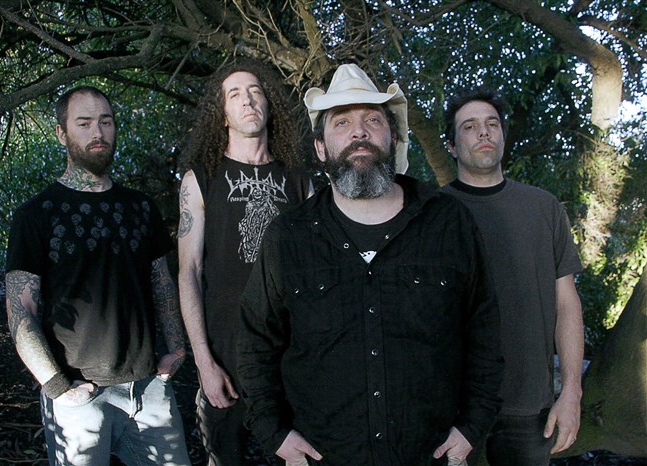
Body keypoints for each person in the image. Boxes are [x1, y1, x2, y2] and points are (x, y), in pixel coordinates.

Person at [236, 63, 504, 466]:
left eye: (372, 120)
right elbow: (256, 342)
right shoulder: (288, 237)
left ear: (393, 138)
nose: (358, 132)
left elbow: (484, 332)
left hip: (430, 456)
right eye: (342, 122)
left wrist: (472, 426)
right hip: (321, 458)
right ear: (320, 148)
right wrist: (274, 433)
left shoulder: (449, 222)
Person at [4, 86, 191, 466]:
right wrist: (58, 387)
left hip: (149, 389)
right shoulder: (36, 214)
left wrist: (176, 349)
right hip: (78, 394)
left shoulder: (140, 207)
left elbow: (161, 283)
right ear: (62, 133)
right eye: (84, 123)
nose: (98, 132)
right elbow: (20, 310)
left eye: (105, 122)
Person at [177, 60, 314, 465]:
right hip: (225, 357)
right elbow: (189, 272)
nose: (248, 100)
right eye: (234, 94)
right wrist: (204, 363)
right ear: (222, 114)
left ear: (269, 105)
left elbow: (316, 273)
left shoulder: (299, 180)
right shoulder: (200, 179)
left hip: (289, 360)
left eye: (255, 91)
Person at [440, 88, 584, 466]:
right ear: (452, 145)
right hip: (453, 410)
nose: (483, 132)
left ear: (503, 136)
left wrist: (571, 392)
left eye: (492, 124)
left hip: (529, 408)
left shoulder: (543, 208)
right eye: (469, 126)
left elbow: (567, 305)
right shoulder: (432, 213)